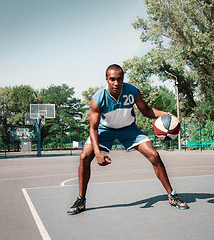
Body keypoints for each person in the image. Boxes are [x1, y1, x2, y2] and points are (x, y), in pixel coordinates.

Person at [67, 64, 188, 215]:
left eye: (119, 79)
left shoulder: (132, 91)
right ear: (106, 79)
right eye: (112, 79)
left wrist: (167, 114)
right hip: (105, 130)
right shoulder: (98, 98)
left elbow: (147, 111)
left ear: (123, 78)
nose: (116, 83)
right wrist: (97, 153)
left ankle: (172, 195)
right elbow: (93, 128)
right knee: (84, 156)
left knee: (154, 155)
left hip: (129, 129)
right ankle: (81, 200)